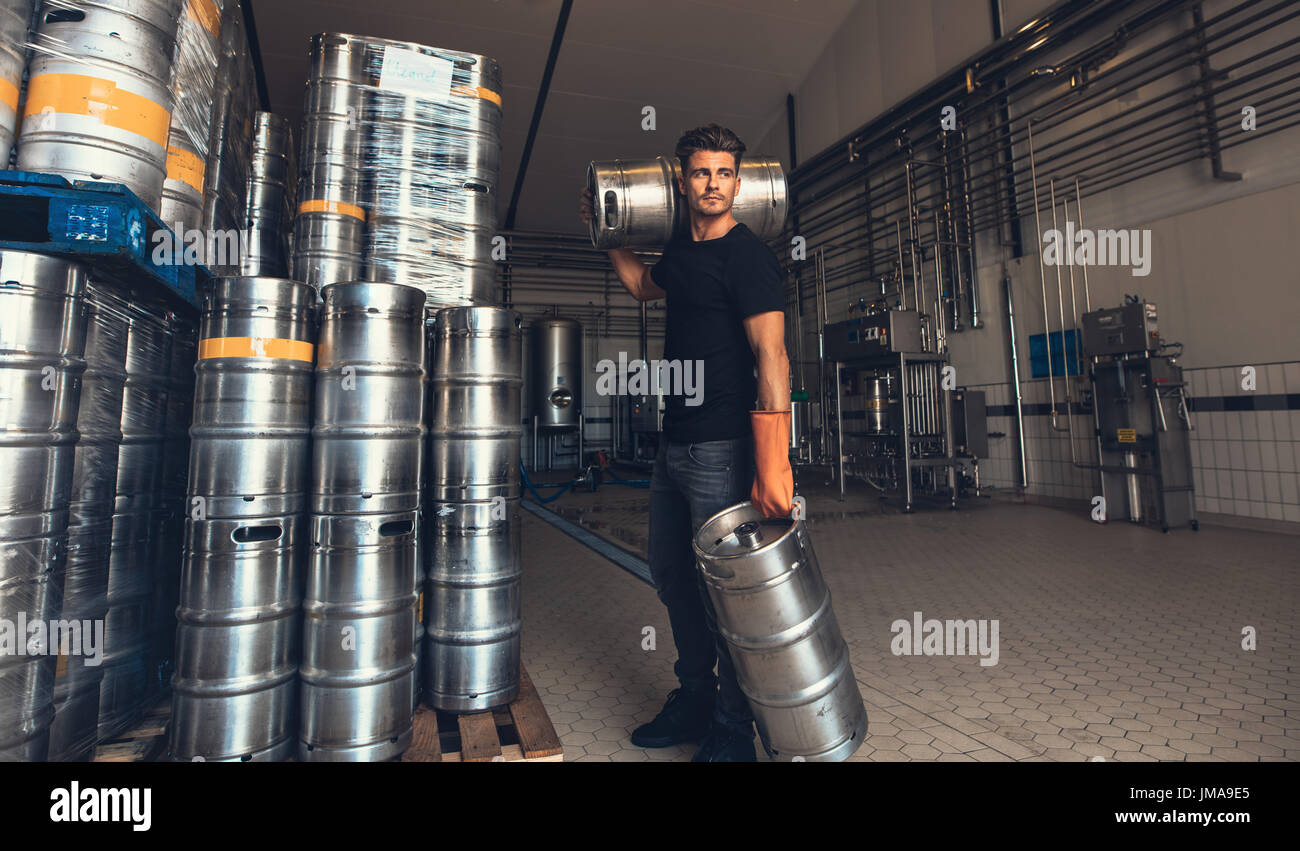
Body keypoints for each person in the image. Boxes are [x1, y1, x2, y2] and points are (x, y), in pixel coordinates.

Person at [579, 124, 793, 761]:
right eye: (703, 172)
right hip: (676, 446)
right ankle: (695, 699)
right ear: (683, 178)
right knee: (672, 576)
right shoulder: (681, 252)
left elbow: (772, 353)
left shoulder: (747, 256)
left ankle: (734, 729)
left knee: (722, 590)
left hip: (723, 447)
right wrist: (607, 234)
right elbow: (646, 287)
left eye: (726, 173)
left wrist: (772, 460)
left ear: (739, 180)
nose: (714, 184)